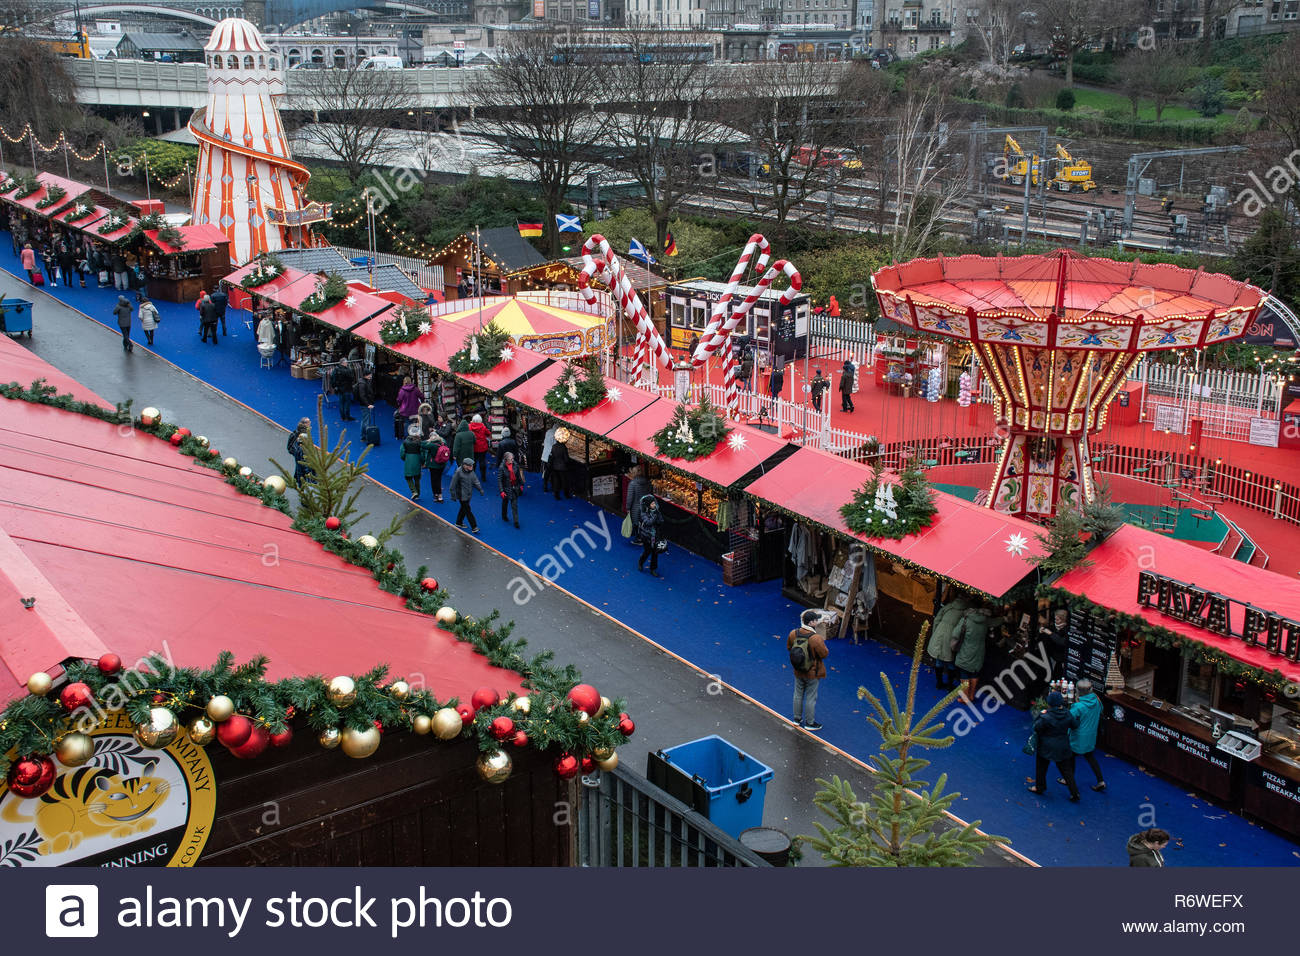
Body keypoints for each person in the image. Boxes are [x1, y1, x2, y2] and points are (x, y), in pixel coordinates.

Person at [1028, 691, 1081, 802]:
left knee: (1041, 768)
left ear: (1049, 703)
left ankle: (1040, 787)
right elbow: (1075, 725)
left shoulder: (1046, 716)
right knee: (1067, 771)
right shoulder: (1067, 714)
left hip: (1046, 747)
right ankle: (1075, 793)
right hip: (1062, 747)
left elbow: (1036, 727)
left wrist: (1040, 714)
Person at [787, 620, 829, 731]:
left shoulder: (793, 633)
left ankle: (796, 719)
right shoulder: (816, 638)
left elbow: (789, 647)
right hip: (812, 672)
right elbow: (824, 654)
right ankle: (809, 723)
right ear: (811, 622)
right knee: (811, 697)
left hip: (798, 670)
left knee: (798, 694)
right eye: (816, 620)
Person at [1068, 679, 1107, 792]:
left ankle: (1069, 780)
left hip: (1078, 738)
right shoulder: (1097, 701)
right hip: (1091, 736)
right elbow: (1101, 711)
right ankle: (1100, 780)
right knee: (1090, 757)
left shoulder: (1078, 706)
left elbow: (1069, 719)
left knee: (1071, 757)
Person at [927, 595, 971, 690]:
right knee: (951, 660)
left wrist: (935, 633)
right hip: (952, 635)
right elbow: (963, 628)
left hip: (939, 631)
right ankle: (950, 685)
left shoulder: (948, 606)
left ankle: (939, 683)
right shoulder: (966, 612)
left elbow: (936, 620)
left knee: (939, 659)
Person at [448, 457, 483, 533]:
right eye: (470, 465)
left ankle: (458, 522)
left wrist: (480, 489)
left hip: (468, 494)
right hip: (461, 495)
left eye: (472, 466)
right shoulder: (458, 472)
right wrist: (453, 495)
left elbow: (475, 480)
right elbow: (452, 485)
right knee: (468, 510)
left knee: (463, 509)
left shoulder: (471, 471)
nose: (471, 467)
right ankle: (474, 527)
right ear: (464, 465)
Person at [636, 494, 663, 576]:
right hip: (646, 535)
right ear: (648, 505)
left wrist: (658, 519)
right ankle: (641, 562)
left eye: (654, 503)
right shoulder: (643, 512)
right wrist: (655, 516)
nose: (654, 505)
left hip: (655, 535)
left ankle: (653, 569)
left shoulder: (656, 511)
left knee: (655, 552)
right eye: (652, 504)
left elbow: (661, 520)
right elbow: (648, 522)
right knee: (647, 551)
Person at [625, 466, 652, 544]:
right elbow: (650, 494)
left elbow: (630, 497)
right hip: (645, 506)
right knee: (643, 522)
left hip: (635, 507)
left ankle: (639, 539)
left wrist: (628, 507)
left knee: (636, 523)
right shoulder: (647, 482)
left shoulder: (632, 484)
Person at [498, 451, 524, 528]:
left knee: (514, 505)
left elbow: (519, 476)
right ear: (506, 460)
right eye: (511, 459)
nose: (513, 460)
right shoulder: (502, 467)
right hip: (506, 489)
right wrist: (502, 491)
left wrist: (521, 485)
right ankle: (504, 515)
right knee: (505, 503)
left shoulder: (515, 464)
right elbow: (499, 480)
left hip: (515, 488)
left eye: (513, 459)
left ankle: (516, 522)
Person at [400, 427, 425, 500]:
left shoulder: (405, 442)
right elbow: (422, 453)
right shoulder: (420, 442)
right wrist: (422, 462)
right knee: (417, 478)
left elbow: (402, 453)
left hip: (408, 460)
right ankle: (418, 493)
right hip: (417, 460)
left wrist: (405, 458)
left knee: (408, 477)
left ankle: (414, 491)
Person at [425, 429, 450, 502]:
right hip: (442, 464)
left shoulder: (431, 445)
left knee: (433, 480)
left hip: (433, 465)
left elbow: (422, 444)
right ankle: (440, 496)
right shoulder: (443, 442)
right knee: (438, 479)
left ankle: (436, 494)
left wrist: (428, 440)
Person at [287, 417, 313, 484]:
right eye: (308, 421)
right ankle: (300, 483)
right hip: (301, 453)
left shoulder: (298, 430)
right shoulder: (303, 435)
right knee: (301, 469)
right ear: (305, 424)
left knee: (299, 468)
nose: (310, 422)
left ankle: (296, 479)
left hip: (297, 453)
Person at [550, 433, 572, 500]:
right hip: (562, 467)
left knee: (557, 481)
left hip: (555, 466)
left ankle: (556, 495)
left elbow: (552, 456)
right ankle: (566, 495)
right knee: (564, 481)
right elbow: (566, 459)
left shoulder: (554, 446)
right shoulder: (563, 447)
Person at [469, 413, 490, 480]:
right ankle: (483, 476)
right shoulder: (483, 427)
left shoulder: (469, 426)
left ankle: (472, 476)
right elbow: (488, 433)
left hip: (473, 447)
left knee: (473, 461)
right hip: (482, 447)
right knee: (482, 461)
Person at [541, 423, 558, 491]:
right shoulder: (555, 435)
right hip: (550, 455)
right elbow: (555, 445)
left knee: (546, 471)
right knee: (551, 471)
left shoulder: (548, 431)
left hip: (545, 454)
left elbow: (545, 442)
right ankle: (552, 485)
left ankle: (545, 485)